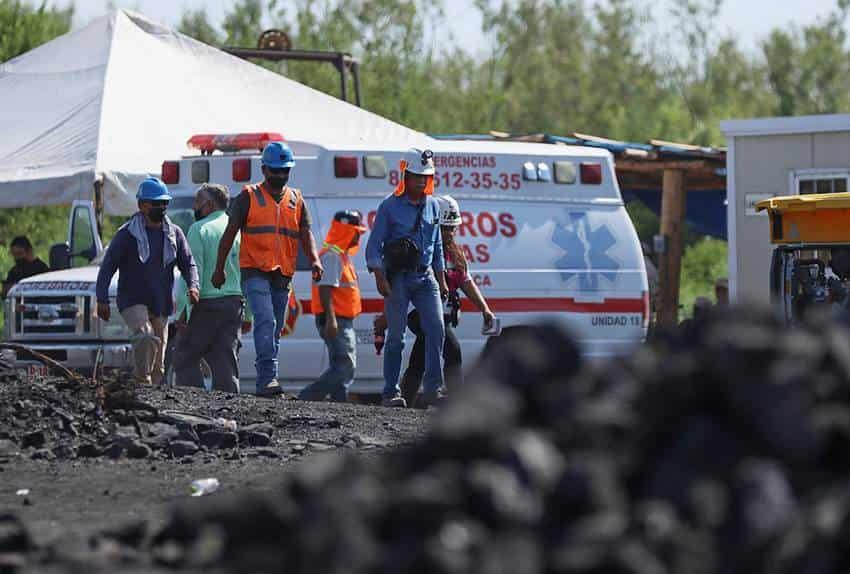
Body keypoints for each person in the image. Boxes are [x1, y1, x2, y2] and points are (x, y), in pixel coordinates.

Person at [212, 141, 322, 397]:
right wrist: (219, 269)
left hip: (282, 273)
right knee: (265, 319)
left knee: (275, 327)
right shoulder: (247, 197)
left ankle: (267, 379)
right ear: (264, 170)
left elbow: (306, 233)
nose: (281, 176)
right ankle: (268, 378)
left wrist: (314, 260)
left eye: (285, 170)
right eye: (276, 171)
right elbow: (229, 234)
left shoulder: (296, 199)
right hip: (254, 270)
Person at [365, 148, 449, 408]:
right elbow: (373, 247)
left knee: (437, 330)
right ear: (405, 176)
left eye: (426, 177)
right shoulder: (389, 206)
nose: (421, 181)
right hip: (398, 279)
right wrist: (380, 278)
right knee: (396, 337)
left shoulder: (434, 205)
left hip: (426, 280)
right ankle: (391, 392)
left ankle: (434, 389)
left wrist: (442, 279)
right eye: (416, 176)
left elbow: (437, 247)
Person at [96, 177, 199, 387]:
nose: (161, 208)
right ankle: (140, 380)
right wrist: (102, 299)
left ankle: (153, 399)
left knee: (159, 362)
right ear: (142, 205)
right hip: (132, 300)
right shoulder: (127, 235)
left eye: (164, 203)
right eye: (156, 203)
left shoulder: (173, 234)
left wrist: (193, 285)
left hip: (160, 301)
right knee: (144, 335)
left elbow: (188, 264)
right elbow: (107, 267)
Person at [398, 195, 496, 407]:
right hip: (419, 311)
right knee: (452, 348)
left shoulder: (456, 253)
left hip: (443, 313)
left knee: (421, 353)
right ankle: (456, 401)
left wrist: (485, 309)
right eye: (445, 228)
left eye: (453, 228)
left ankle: (406, 399)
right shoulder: (421, 249)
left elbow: (465, 282)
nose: (449, 233)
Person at [173, 184, 248, 393]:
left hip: (204, 304)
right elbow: (247, 273)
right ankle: (229, 411)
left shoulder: (199, 229)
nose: (194, 206)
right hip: (233, 305)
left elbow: (192, 272)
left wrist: (183, 311)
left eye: (197, 201)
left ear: (209, 204)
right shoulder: (238, 230)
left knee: (185, 358)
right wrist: (248, 314)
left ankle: (193, 405)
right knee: (225, 361)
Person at [298, 210, 367, 402]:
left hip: (341, 318)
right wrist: (331, 319)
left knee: (339, 365)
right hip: (335, 318)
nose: (358, 238)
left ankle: (340, 404)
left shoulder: (339, 255)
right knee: (345, 366)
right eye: (355, 232)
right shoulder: (332, 256)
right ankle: (306, 399)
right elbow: (325, 288)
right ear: (345, 231)